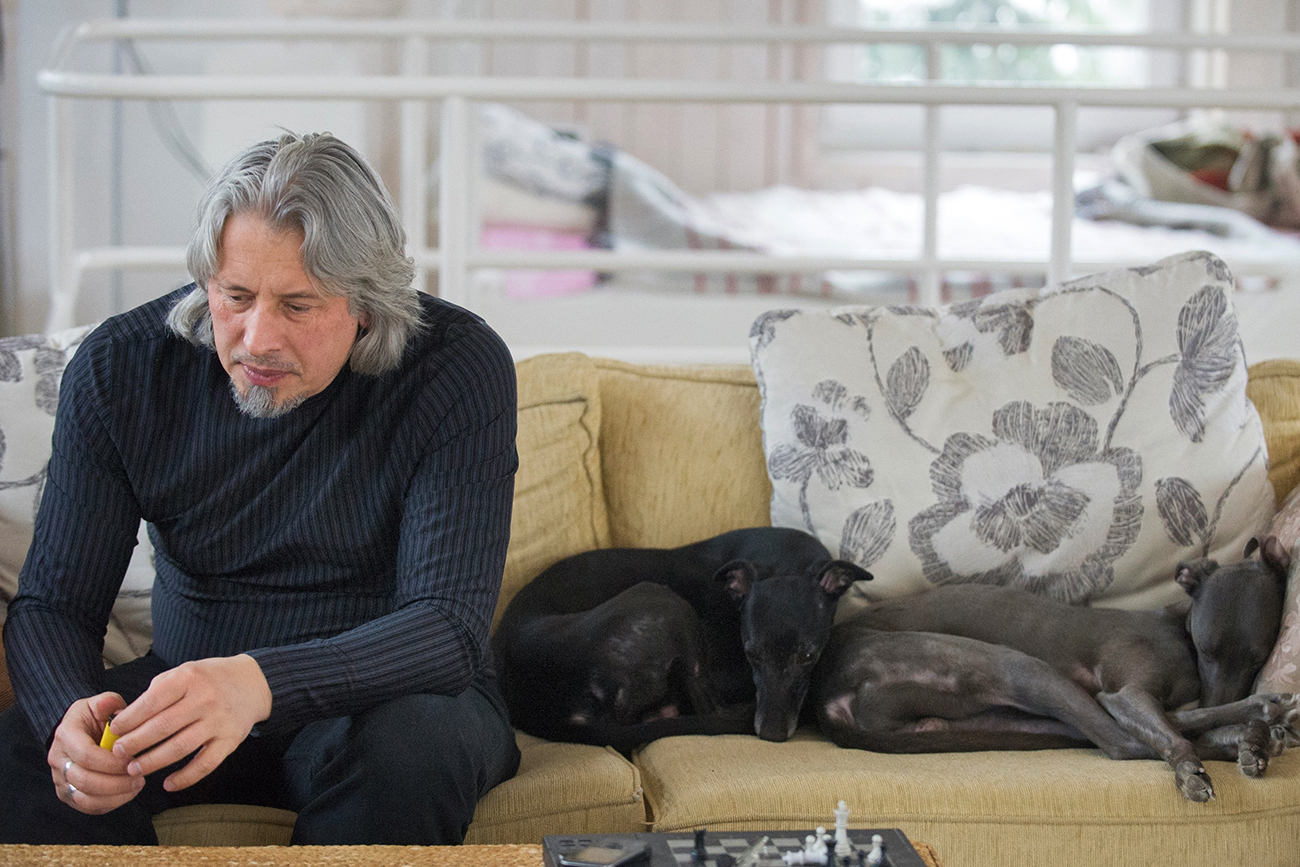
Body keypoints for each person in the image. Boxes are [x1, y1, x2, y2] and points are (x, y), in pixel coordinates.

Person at [0, 131, 521, 844]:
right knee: (26, 757)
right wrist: (70, 715)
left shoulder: (455, 367)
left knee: (412, 750)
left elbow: (446, 628)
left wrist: (259, 682)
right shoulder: (122, 370)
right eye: (235, 296)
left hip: (389, 700)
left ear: (365, 303)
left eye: (297, 305)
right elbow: (54, 604)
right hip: (190, 693)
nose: (256, 338)